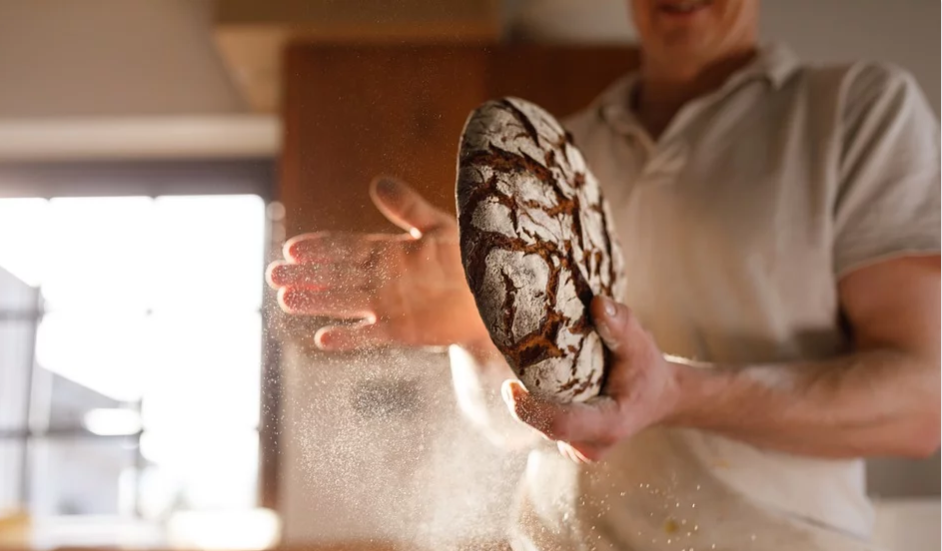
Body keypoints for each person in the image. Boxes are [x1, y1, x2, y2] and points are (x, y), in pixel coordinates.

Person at [266, 0, 941, 548]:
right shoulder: (556, 154)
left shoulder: (854, 111)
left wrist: (677, 391)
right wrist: (477, 329)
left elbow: (922, 404)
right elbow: (523, 423)